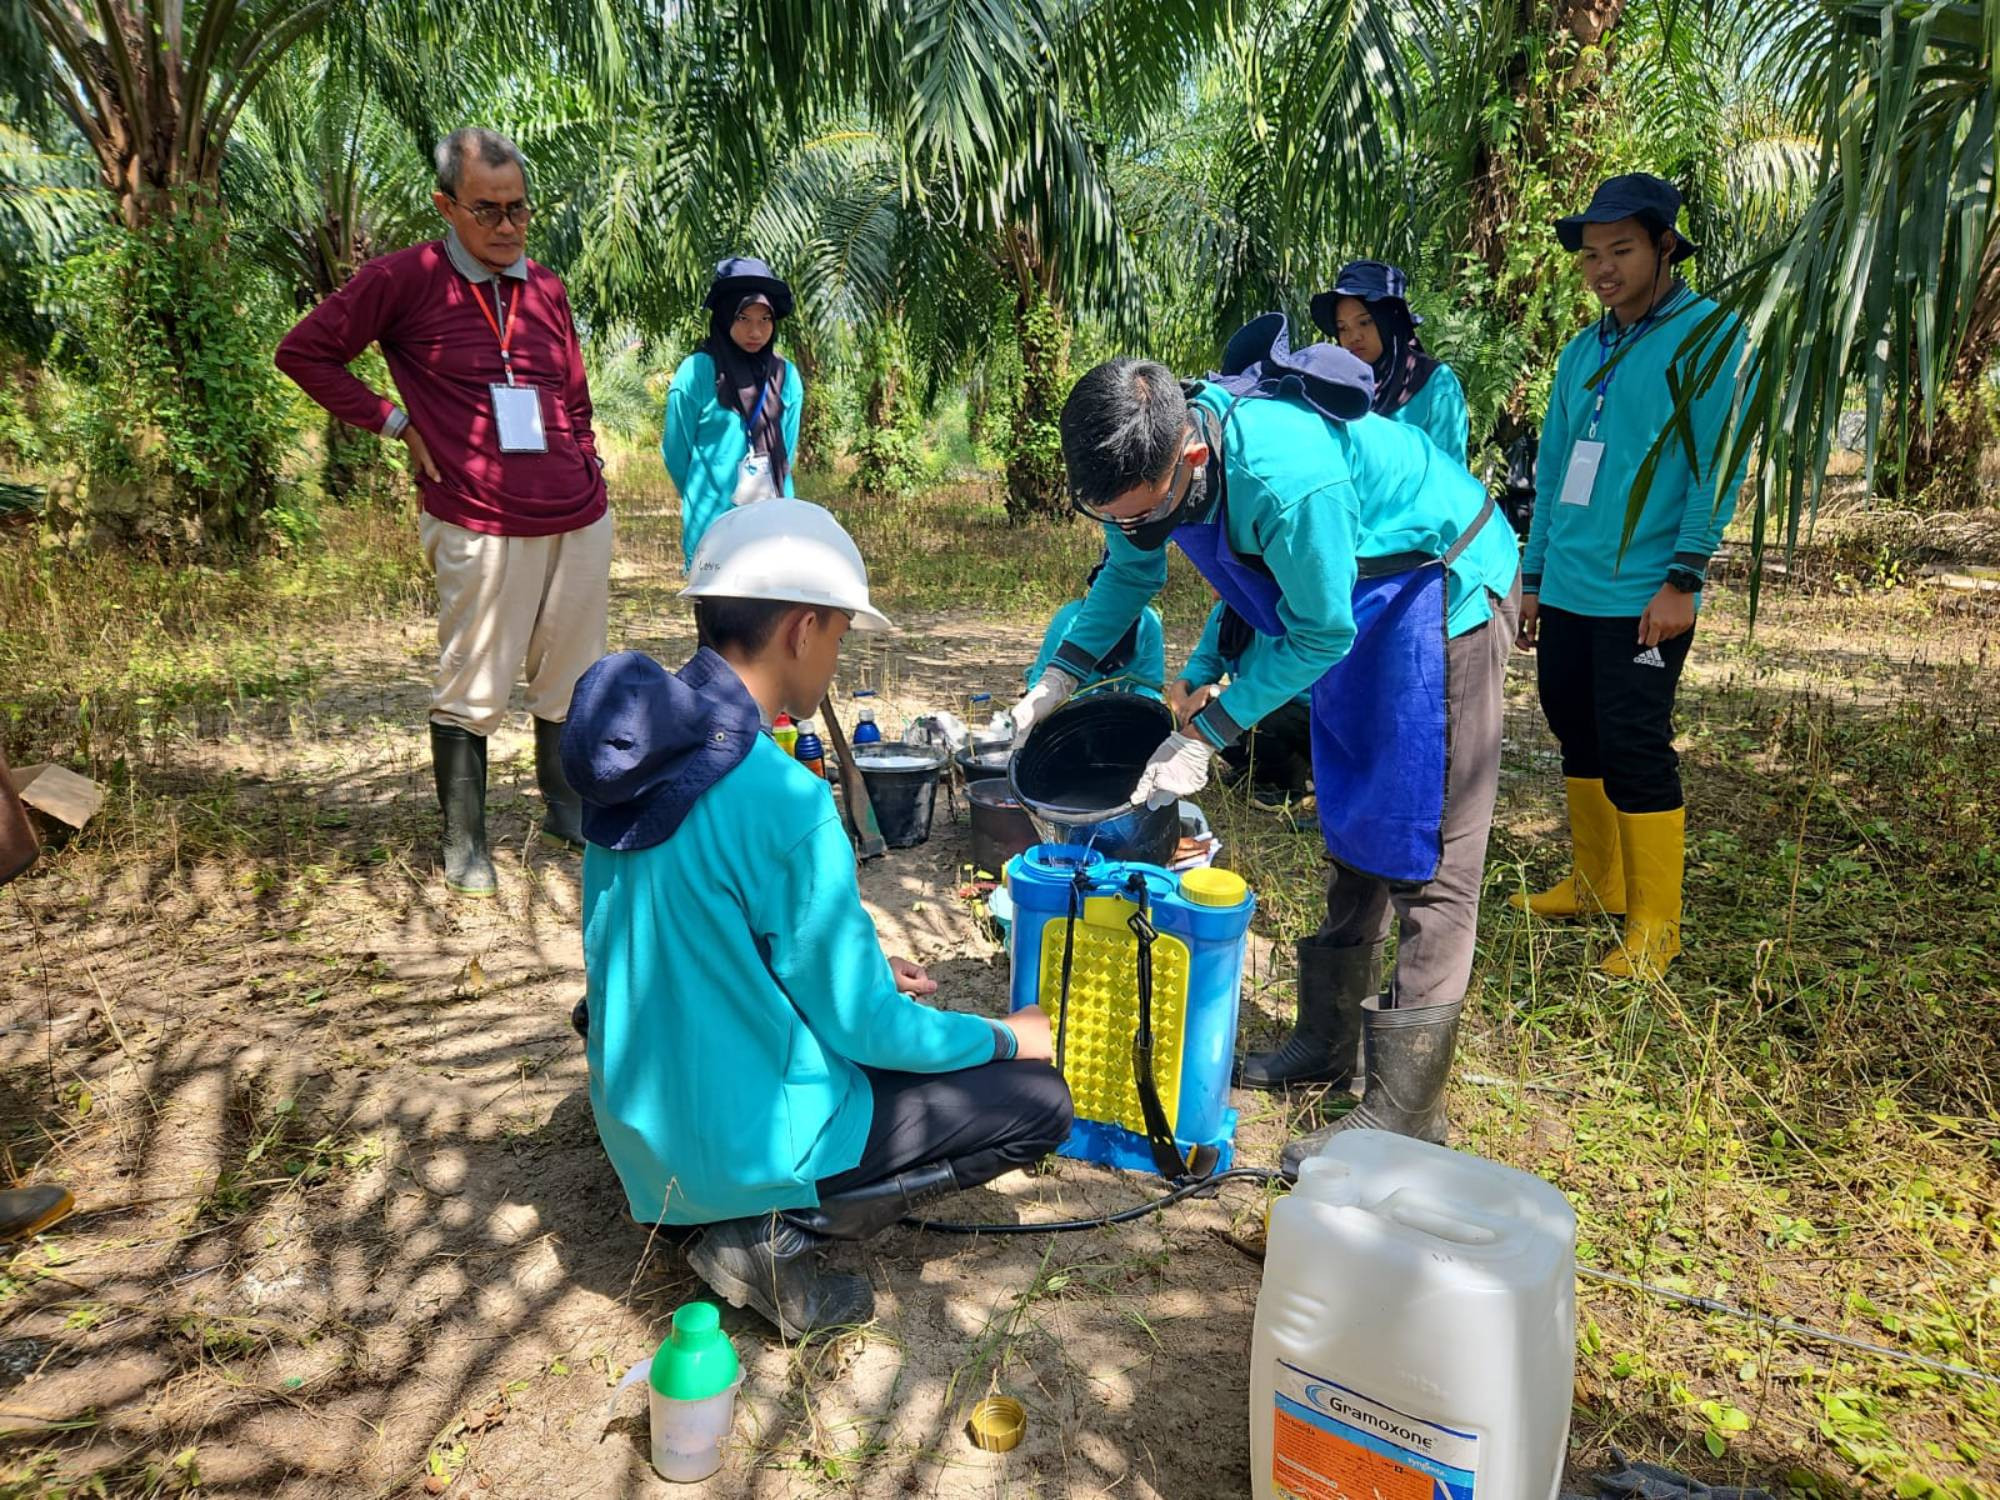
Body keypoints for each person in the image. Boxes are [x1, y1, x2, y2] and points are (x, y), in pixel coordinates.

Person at [1011, 325, 1519, 1170]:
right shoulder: (1133, 467)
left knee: (1426, 842)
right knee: (1355, 803)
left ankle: (1402, 1110)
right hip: (1344, 601)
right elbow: (1132, 576)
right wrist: (1055, 677)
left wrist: (1209, 732)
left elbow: (1322, 630)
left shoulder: (1286, 479)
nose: (1125, 528)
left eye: (1138, 512)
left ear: (1190, 461)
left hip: (1434, 588)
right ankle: (1324, 1043)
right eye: (1107, 515)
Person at [563, 499, 1072, 1337]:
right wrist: (1009, 1035)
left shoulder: (642, 753)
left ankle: (733, 1208)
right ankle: (770, 1230)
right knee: (1038, 1100)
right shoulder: (782, 796)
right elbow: (872, 1033)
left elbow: (710, 927)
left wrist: (862, 960)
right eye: (838, 636)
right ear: (802, 629)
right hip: (741, 1146)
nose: (835, 659)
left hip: (643, 1125)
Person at [275, 127, 609, 898]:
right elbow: (304, 353)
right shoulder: (406, 278)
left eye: (519, 209)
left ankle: (567, 810)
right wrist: (394, 423)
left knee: (572, 675)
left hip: (577, 514)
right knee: (475, 684)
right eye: (487, 210)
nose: (506, 226)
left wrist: (586, 460)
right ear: (446, 206)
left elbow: (574, 393)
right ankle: (466, 844)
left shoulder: (548, 289)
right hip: (478, 516)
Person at [1511, 174, 1753, 981]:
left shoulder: (1708, 337)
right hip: (1570, 584)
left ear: (1664, 248)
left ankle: (1656, 923)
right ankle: (1595, 883)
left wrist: (1684, 576)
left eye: (1621, 250)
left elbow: (1714, 466)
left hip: (1645, 590)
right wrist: (1534, 576)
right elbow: (1551, 475)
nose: (1603, 268)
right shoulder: (1584, 351)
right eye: (1591, 254)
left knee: (1635, 743)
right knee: (1573, 727)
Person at [664, 257, 805, 568]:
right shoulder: (697, 372)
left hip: (774, 521)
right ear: (725, 315)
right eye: (743, 317)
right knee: (717, 615)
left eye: (765, 319)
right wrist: (708, 492)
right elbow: (676, 453)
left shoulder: (787, 377)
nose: (755, 331)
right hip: (712, 526)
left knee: (772, 614)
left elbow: (788, 452)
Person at [1312, 260, 1471, 467]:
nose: (1354, 337)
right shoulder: (1338, 389)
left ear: (1388, 320)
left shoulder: (1435, 383)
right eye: (1343, 328)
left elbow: (1452, 476)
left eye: (1364, 322)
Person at [1174, 592, 1313, 805]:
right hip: (1258, 704)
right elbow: (1206, 660)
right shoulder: (1225, 612)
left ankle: (1295, 784)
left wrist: (1217, 691)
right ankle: (1256, 772)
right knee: (1201, 712)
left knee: (1264, 716)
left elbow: (1284, 687)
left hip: (1304, 716)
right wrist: (1182, 688)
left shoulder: (1279, 613)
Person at [1027, 557, 1166, 701]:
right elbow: (1037, 683)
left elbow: (1151, 686)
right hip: (1073, 704)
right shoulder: (1069, 618)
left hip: (1126, 708)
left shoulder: (1148, 622)